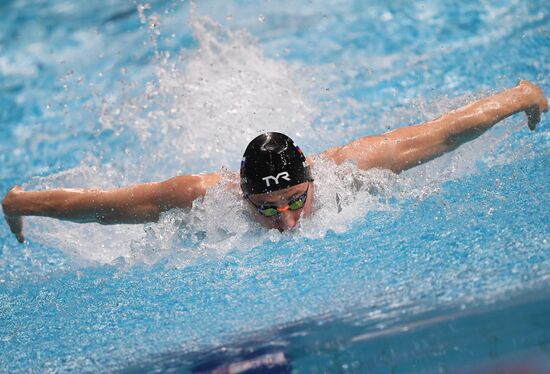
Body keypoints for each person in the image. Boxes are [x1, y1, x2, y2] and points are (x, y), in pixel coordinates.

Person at [2, 80, 547, 242]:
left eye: (295, 202)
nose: (286, 222)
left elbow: (448, 132)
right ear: (241, 195)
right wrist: (21, 201)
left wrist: (523, 96)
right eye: (265, 210)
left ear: (312, 177)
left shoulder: (351, 169)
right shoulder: (201, 196)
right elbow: (102, 210)